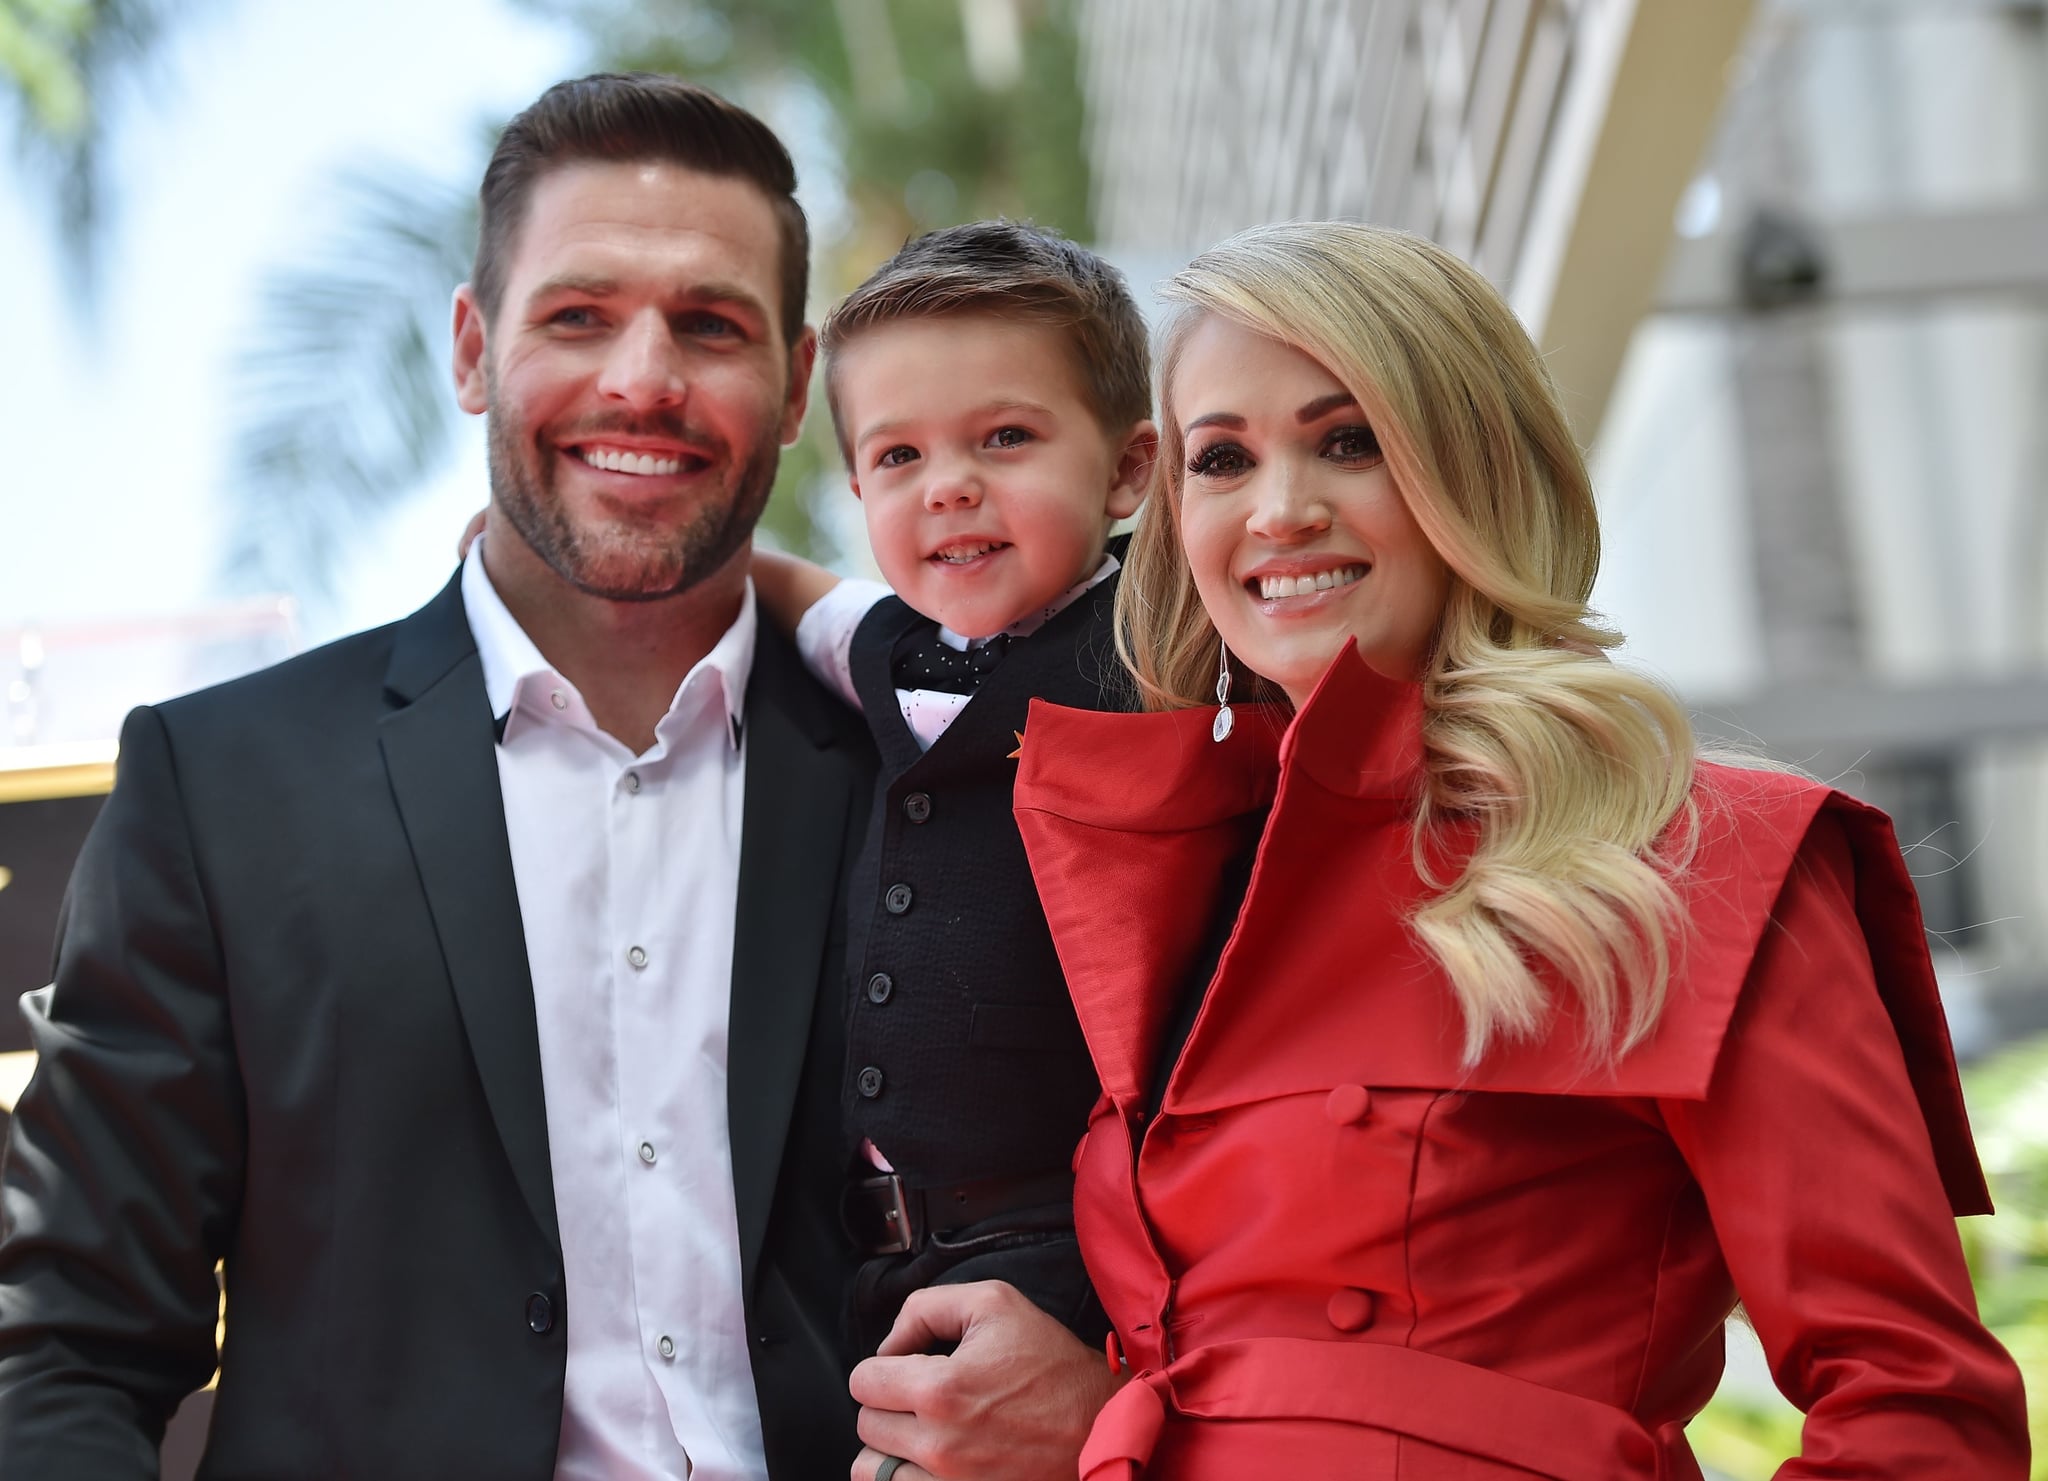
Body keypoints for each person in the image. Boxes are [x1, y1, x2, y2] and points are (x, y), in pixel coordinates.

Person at [993, 222, 2030, 1476]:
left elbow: (1919, 1413)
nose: (1279, 509)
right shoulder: (1165, 875)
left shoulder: (1698, 857)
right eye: (1221, 458)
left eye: (1348, 440)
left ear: (1471, 468)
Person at [0, 74, 877, 1480]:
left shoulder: (916, 766)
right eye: (578, 315)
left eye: (709, 325)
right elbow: (71, 1344)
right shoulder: (222, 788)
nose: (642, 378)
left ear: (792, 384)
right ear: (472, 350)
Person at [749, 220, 1156, 1375]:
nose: (949, 487)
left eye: (1006, 436)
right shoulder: (887, 647)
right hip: (877, 1258)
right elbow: (800, 598)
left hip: (1066, 1246)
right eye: (897, 457)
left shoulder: (1155, 651)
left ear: (1128, 467)